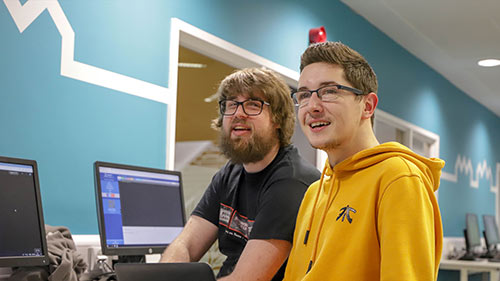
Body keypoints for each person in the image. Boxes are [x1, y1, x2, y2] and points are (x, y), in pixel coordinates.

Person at [283, 42, 445, 281]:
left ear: (367, 106)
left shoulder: (398, 178)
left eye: (329, 91)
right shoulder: (314, 193)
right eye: (304, 95)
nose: (313, 106)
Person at [160, 67, 320, 281]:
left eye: (253, 104)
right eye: (232, 104)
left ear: (278, 119)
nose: (238, 113)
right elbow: (186, 244)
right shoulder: (230, 173)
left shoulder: (292, 182)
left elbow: (248, 279)